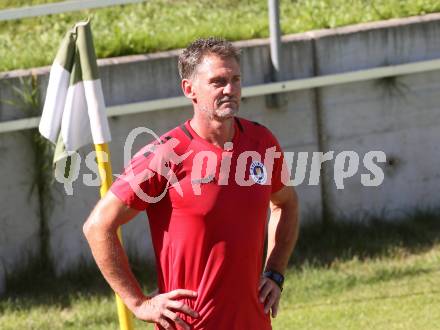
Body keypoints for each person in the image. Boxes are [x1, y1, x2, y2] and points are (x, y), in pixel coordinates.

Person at [83, 37, 299, 330]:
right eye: (218, 82)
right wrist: (139, 303)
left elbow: (285, 203)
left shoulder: (261, 142)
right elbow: (97, 226)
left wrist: (274, 273)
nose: (230, 90)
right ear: (189, 89)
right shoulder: (165, 155)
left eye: (236, 79)